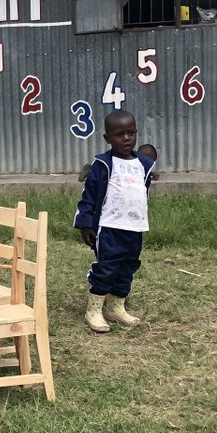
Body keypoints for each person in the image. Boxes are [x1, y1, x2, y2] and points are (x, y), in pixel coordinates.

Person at [74, 110, 156, 334]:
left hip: (135, 228)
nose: (127, 138)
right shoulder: (103, 164)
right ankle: (93, 310)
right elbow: (89, 195)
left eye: (131, 132)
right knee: (107, 267)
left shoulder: (142, 164)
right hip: (109, 227)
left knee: (128, 266)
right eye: (119, 134)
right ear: (107, 138)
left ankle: (116, 307)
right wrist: (85, 223)